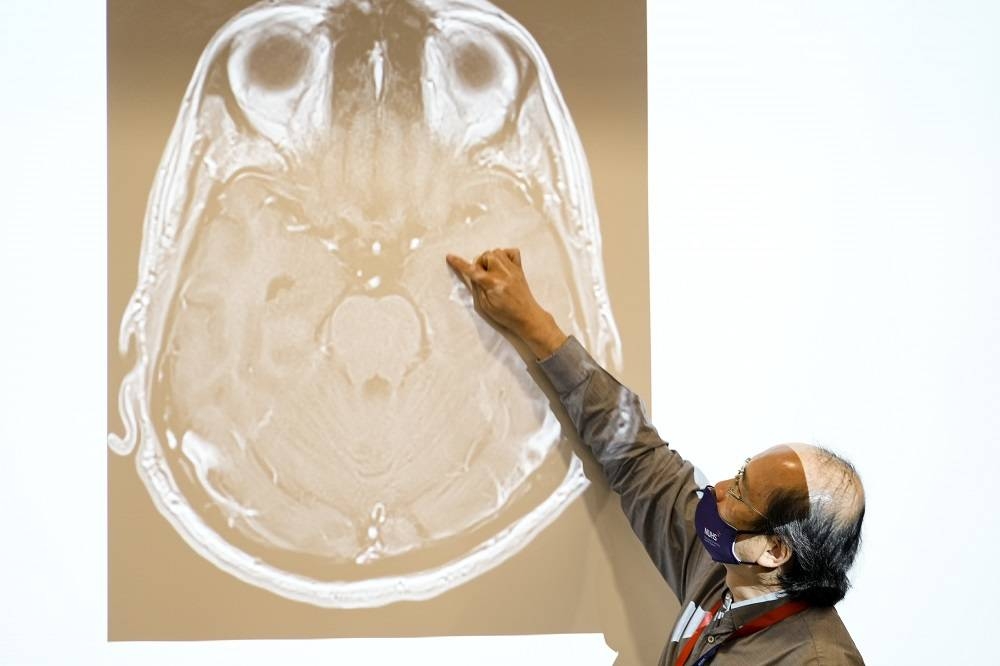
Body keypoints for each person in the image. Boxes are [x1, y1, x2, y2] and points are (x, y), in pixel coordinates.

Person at [445, 248, 866, 665]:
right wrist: (531, 321)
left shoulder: (816, 661)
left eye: (740, 492)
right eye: (737, 474)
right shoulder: (723, 577)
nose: (715, 489)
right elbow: (636, 454)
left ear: (774, 550)